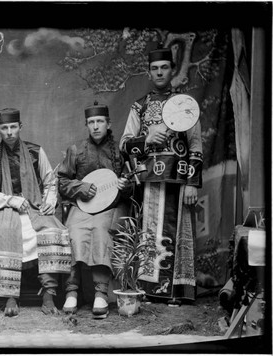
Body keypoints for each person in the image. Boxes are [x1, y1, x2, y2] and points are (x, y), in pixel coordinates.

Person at [119, 48, 203, 304]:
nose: (159, 72)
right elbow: (124, 145)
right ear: (149, 72)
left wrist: (192, 183)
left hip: (177, 180)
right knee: (148, 233)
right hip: (148, 181)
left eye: (164, 67)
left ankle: (177, 292)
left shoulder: (185, 105)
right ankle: (147, 290)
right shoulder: (139, 106)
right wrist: (146, 140)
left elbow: (196, 145)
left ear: (172, 70)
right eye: (155, 68)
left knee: (178, 233)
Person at [0, 108, 71, 317]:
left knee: (50, 230)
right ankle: (10, 296)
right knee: (7, 232)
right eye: (4, 128)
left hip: (34, 206)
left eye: (13, 127)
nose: (9, 132)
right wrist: (9, 200)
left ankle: (48, 293)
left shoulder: (35, 151)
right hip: (7, 209)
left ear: (20, 127)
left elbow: (50, 180)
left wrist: (49, 202)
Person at [57, 102, 132, 319]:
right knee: (72, 231)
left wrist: (126, 187)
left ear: (108, 124)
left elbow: (133, 186)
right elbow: (62, 181)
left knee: (100, 231)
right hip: (83, 205)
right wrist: (80, 187)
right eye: (91, 122)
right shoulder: (76, 150)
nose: (96, 126)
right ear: (86, 125)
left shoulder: (120, 151)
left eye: (100, 121)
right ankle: (72, 292)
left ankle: (100, 293)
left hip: (110, 206)